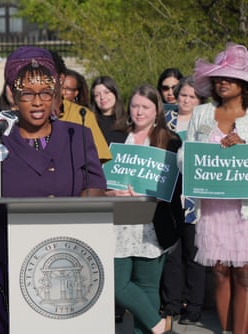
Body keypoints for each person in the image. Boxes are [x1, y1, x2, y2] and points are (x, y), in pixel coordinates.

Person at [0, 46, 107, 333]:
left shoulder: (77, 135)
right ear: (14, 97)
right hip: (5, 257)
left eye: (46, 92)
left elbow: (95, 186)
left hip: (67, 256)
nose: (38, 101)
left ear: (56, 95)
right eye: (27, 93)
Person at [179, 42, 248, 334]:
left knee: (244, 274)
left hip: (244, 209)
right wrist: (197, 159)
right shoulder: (202, 114)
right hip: (213, 207)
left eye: (230, 76)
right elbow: (184, 156)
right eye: (219, 76)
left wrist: (244, 148)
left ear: (244, 84)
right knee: (219, 273)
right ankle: (226, 331)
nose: (223, 81)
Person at [109, 84, 183, 334]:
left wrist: (158, 194)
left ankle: (151, 328)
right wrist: (112, 191)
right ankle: (159, 324)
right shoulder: (116, 136)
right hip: (118, 223)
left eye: (146, 107)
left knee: (148, 287)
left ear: (156, 110)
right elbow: (102, 178)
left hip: (152, 223)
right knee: (118, 285)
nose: (139, 112)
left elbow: (175, 185)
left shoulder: (170, 140)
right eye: (135, 106)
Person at [160, 76, 207, 325]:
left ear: (200, 100)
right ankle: (173, 304)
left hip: (194, 194)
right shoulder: (165, 120)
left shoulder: (206, 122)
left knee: (194, 252)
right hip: (169, 191)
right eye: (183, 95)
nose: (186, 100)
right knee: (172, 252)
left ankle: (194, 307)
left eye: (192, 96)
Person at [49, 50, 112, 163]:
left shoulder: (82, 115)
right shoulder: (20, 116)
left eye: (47, 75)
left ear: (61, 79)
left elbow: (98, 160)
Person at [90, 75, 127, 144]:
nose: (102, 97)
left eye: (107, 92)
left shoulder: (128, 121)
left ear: (115, 94)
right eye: (97, 95)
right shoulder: (90, 122)